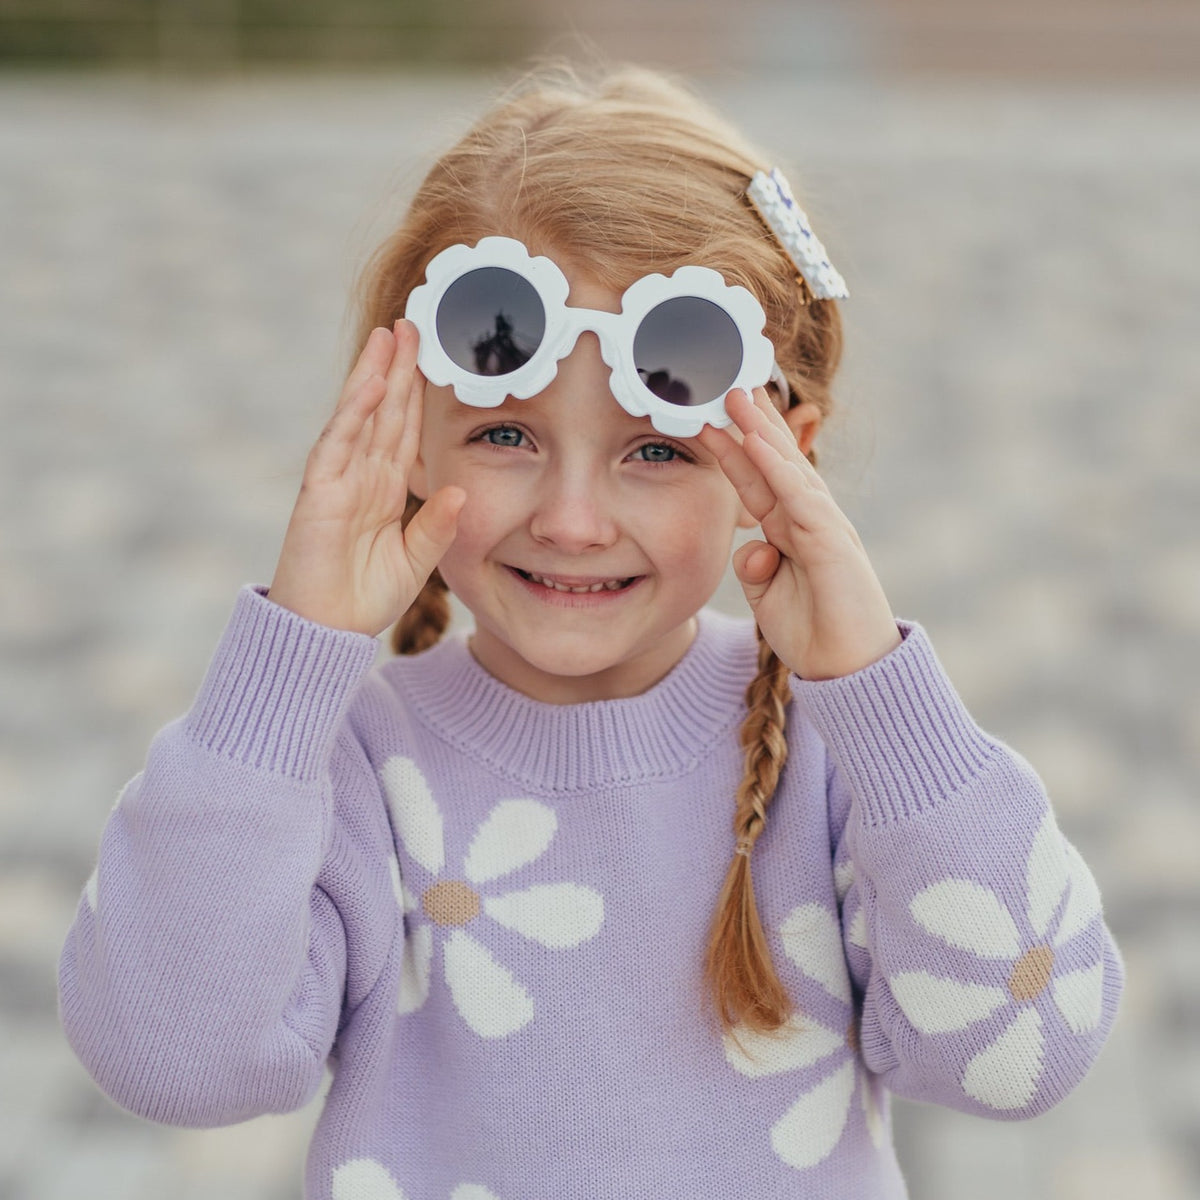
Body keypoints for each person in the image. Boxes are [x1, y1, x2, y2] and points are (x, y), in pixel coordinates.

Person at [58, 59, 1124, 1200]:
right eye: (506, 435)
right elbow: (172, 1059)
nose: (571, 521)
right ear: (408, 429)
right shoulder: (349, 766)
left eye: (656, 450)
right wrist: (288, 668)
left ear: (786, 458)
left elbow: (1024, 1056)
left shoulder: (841, 759)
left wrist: (877, 691)